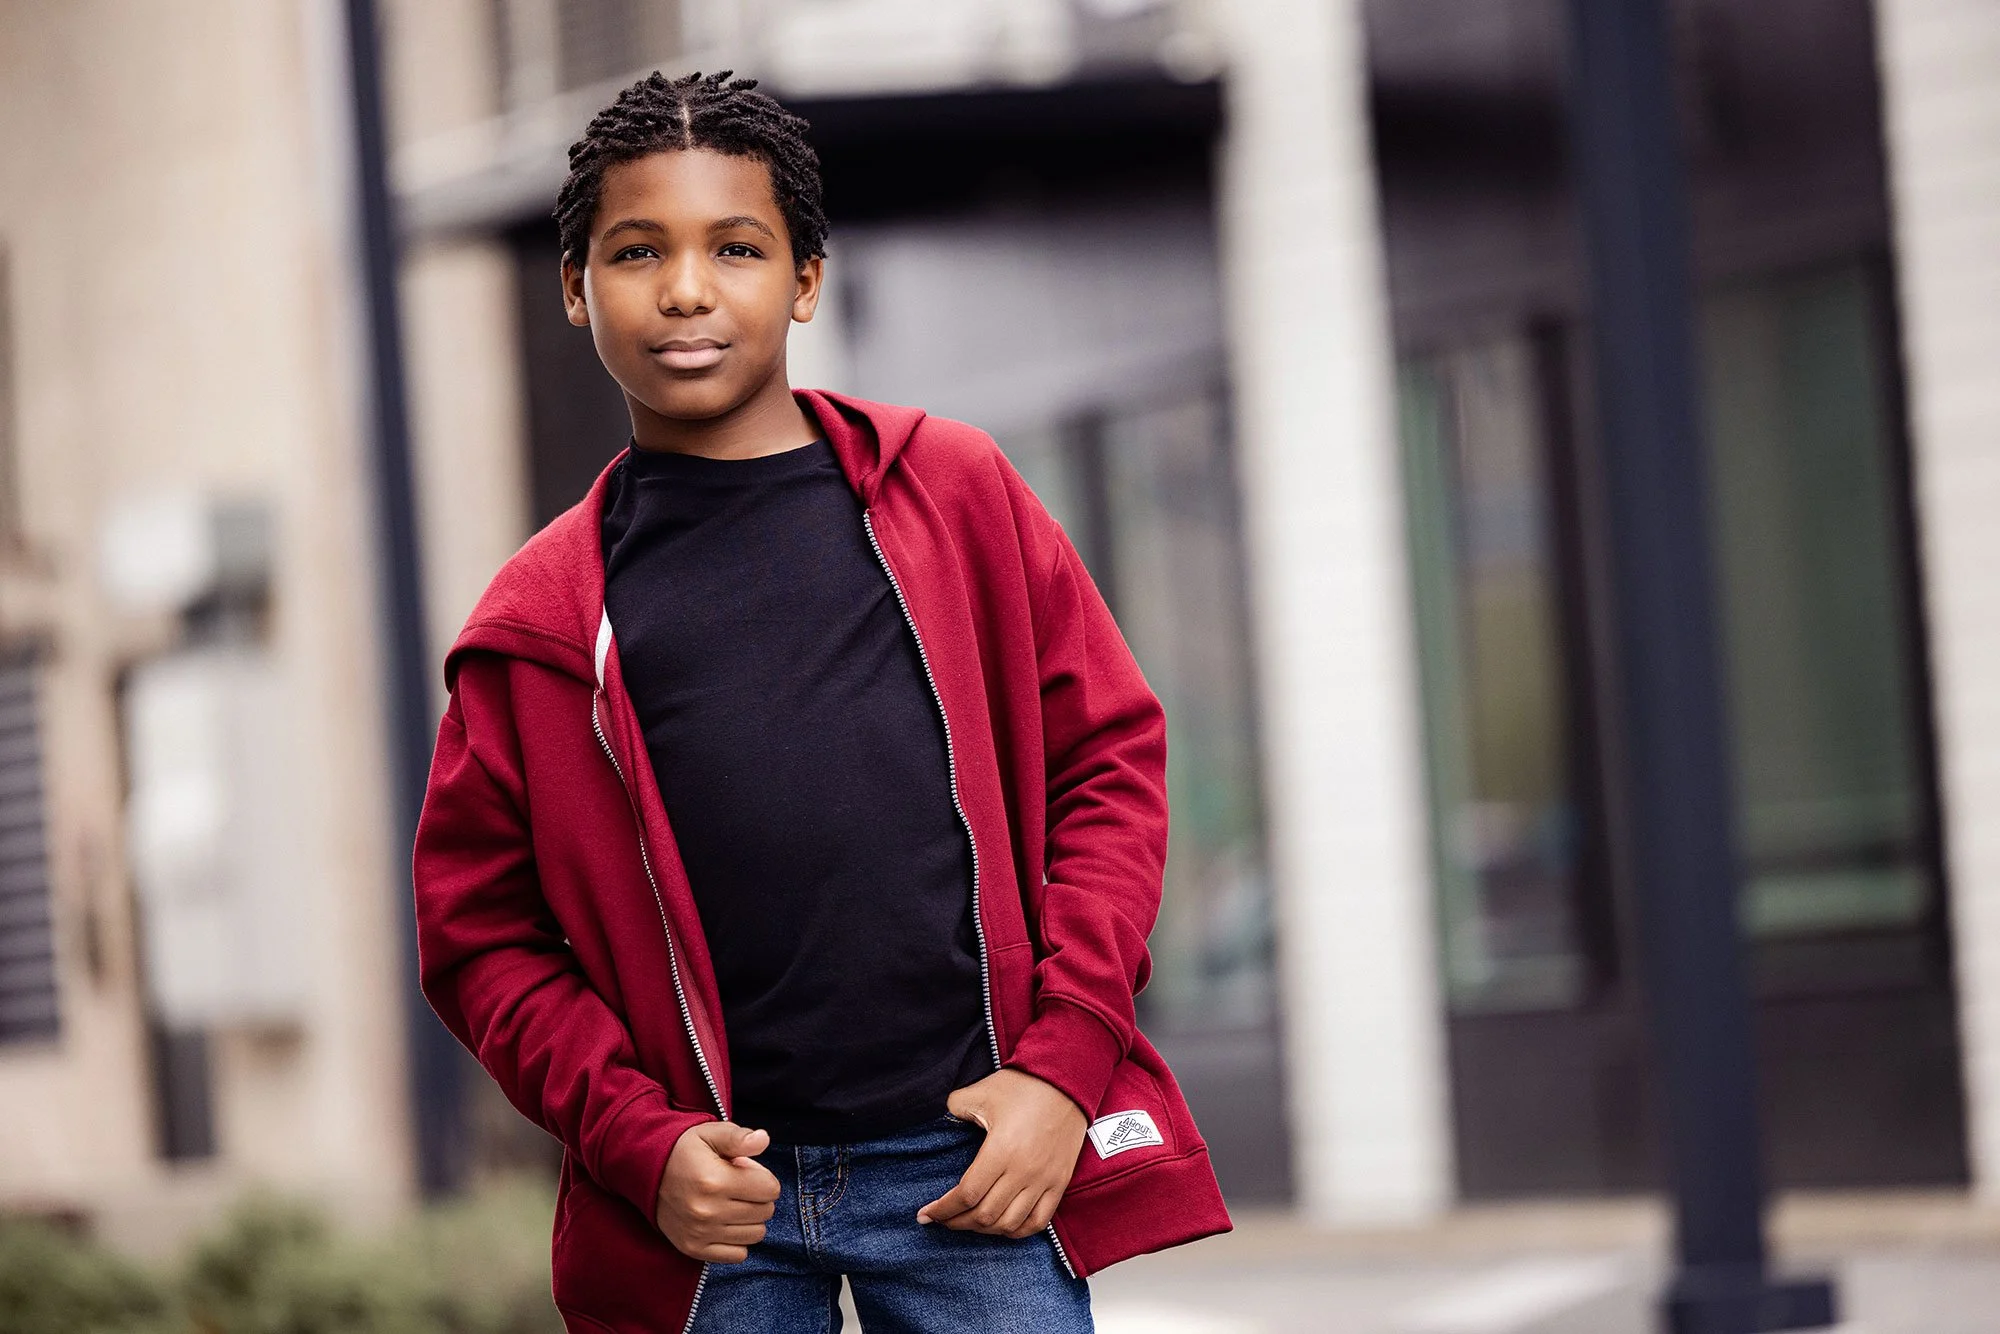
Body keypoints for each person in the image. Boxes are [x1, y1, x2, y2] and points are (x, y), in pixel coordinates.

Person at [413, 70, 1229, 1334]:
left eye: (734, 247)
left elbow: (1106, 762)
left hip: (970, 1165)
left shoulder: (953, 495)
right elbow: (480, 938)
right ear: (575, 286)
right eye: (637, 252)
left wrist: (1062, 1071)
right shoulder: (539, 624)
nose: (686, 287)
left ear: (802, 281)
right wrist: (639, 1138)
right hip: (712, 1208)